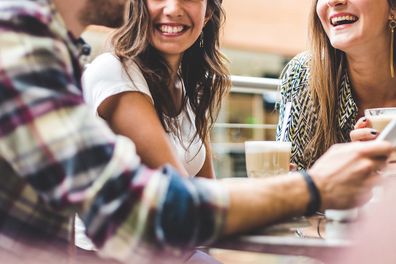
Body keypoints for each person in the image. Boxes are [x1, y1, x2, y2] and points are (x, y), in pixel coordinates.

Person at [0, 0, 393, 263]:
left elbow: (200, 194)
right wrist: (313, 186)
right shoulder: (23, 41)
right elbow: (134, 211)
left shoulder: (185, 89)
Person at [83, 0, 230, 178]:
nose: (173, 9)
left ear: (207, 13)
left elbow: (207, 188)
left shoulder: (190, 89)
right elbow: (182, 194)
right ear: (139, 5)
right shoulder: (115, 72)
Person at [276, 0, 396, 170]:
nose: (333, 1)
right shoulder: (302, 74)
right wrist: (345, 175)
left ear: (393, 8)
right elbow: (288, 179)